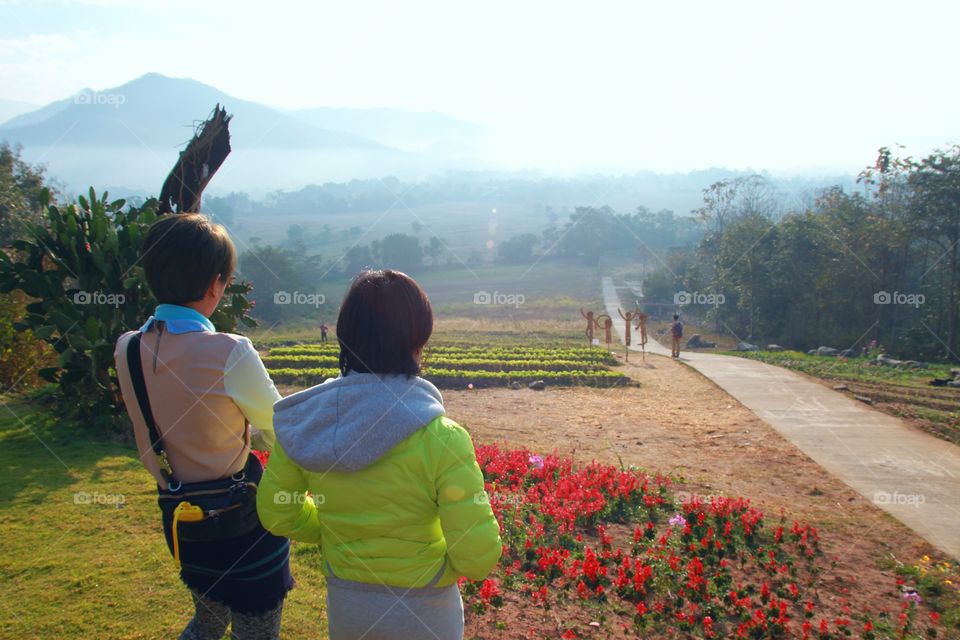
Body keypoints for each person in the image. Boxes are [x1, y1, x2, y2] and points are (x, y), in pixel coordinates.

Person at [258, 269, 502, 640]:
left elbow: (278, 512)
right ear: (417, 339)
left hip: (349, 604)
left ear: (344, 335)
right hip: (427, 611)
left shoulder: (308, 425)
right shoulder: (442, 438)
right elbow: (477, 555)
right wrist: (437, 570)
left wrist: (330, 532)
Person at [114, 214, 292, 640]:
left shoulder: (128, 347)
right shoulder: (229, 351)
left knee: (208, 621)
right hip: (242, 525)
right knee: (256, 630)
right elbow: (277, 423)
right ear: (215, 284)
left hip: (181, 520)